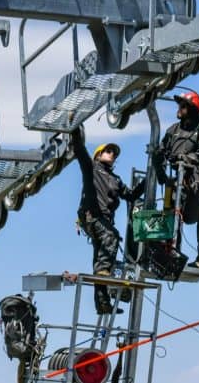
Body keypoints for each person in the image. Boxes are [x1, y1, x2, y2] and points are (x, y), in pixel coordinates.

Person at [71, 128, 144, 314]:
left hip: (103, 221)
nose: (111, 154)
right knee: (111, 238)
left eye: (114, 153)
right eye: (108, 151)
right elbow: (80, 151)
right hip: (92, 216)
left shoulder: (116, 180)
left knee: (101, 260)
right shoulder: (92, 170)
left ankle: (103, 303)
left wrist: (149, 177)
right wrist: (74, 131)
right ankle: (103, 271)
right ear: (98, 155)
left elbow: (131, 195)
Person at [156, 91, 199, 270]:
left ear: (192, 109)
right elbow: (162, 151)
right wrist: (160, 166)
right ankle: (171, 253)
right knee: (170, 212)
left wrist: (185, 158)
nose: (179, 109)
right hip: (178, 179)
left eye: (183, 106)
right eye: (179, 105)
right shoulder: (173, 131)